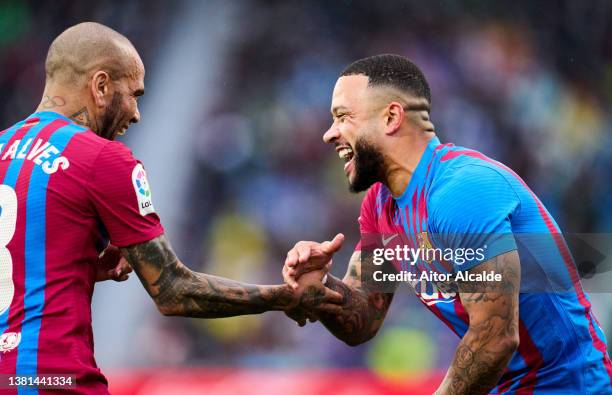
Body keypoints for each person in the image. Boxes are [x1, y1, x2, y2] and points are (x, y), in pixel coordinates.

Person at [0, 22, 341, 394]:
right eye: (133, 94)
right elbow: (174, 291)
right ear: (100, 86)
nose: (136, 114)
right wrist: (285, 296)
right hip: (55, 380)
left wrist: (77, 267)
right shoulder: (103, 160)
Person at [282, 54, 612, 394]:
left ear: (392, 117)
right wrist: (319, 287)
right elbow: (362, 318)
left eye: (342, 117)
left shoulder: (461, 191)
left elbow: (495, 337)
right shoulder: (381, 206)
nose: (329, 134)